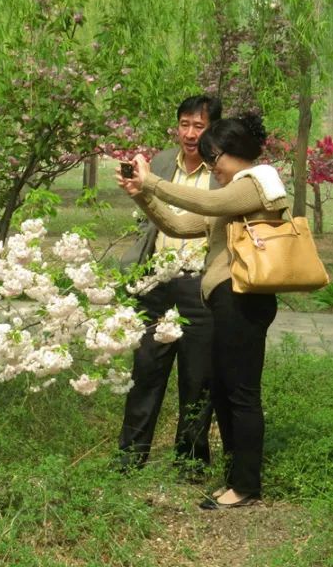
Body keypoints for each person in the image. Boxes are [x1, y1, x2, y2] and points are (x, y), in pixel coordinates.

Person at [118, 113, 287, 510]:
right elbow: (177, 225)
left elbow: (208, 200)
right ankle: (236, 481)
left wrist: (154, 181)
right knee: (226, 392)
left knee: (242, 394)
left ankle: (245, 486)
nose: (213, 168)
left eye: (216, 159)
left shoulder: (256, 184)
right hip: (227, 300)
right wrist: (141, 194)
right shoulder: (233, 195)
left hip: (243, 298)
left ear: (235, 153)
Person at [116, 95, 222, 476]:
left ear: (214, 130)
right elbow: (149, 215)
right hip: (156, 281)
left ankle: (190, 461)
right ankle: (129, 458)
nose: (190, 134)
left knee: (198, 377)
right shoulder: (160, 163)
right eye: (184, 124)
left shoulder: (222, 172)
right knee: (145, 370)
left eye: (199, 126)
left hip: (199, 282)